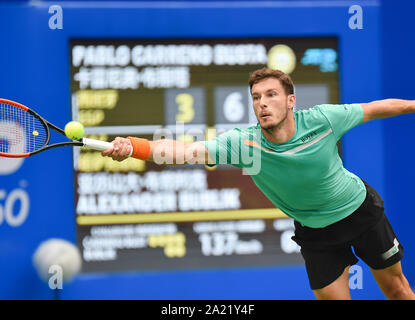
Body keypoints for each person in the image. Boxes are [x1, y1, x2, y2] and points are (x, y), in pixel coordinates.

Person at [102, 67, 415, 300]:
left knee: (397, 291)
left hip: (359, 212)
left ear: (291, 100)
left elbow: (376, 108)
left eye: (271, 95)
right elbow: (185, 152)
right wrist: (134, 146)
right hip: (316, 233)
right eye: (255, 98)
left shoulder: (323, 120)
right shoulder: (244, 145)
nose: (261, 104)